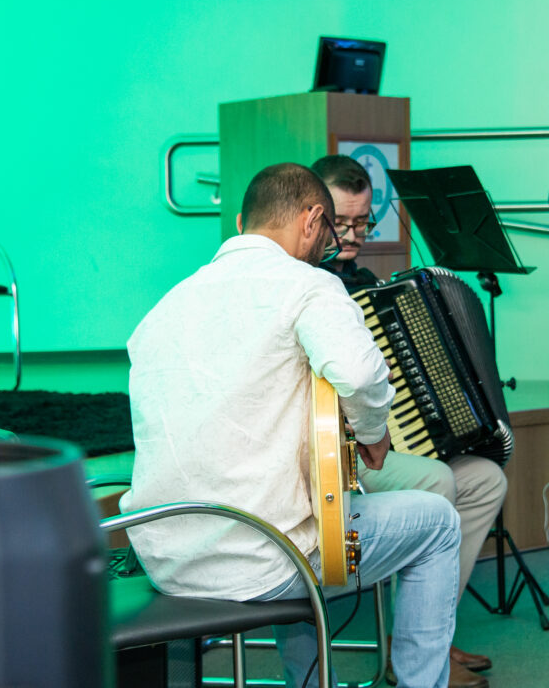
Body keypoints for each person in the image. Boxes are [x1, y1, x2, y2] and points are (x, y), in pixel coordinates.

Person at [123, 162, 462, 688]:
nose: (327, 247)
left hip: (168, 558)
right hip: (262, 560)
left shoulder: (165, 307)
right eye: (328, 235)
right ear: (312, 220)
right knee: (437, 523)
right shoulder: (308, 285)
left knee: (298, 513)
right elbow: (358, 374)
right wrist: (373, 434)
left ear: (243, 223)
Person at [314, 155, 507, 687]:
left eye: (363, 222)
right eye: (341, 222)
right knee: (438, 481)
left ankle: (428, 633)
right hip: (336, 453)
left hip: (384, 442)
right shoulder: (308, 288)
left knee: (486, 479)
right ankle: (414, 653)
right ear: (315, 215)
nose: (352, 236)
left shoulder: (364, 283)